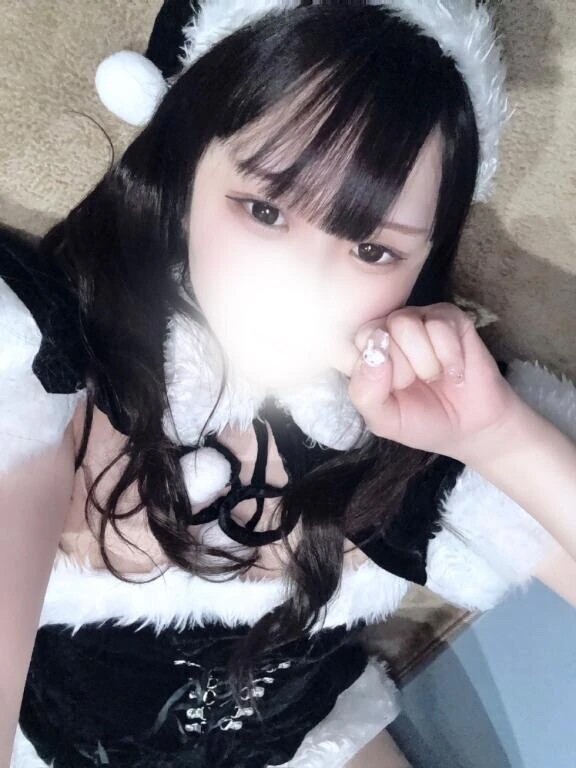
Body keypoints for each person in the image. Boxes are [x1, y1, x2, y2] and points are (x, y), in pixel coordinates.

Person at [2, 2, 576, 766]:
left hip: (307, 738)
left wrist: (499, 438)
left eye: (373, 250)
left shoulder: (417, 418)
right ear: (183, 163)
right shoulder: (41, 355)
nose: (307, 281)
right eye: (265, 209)